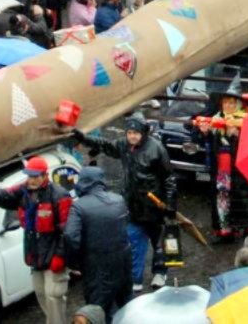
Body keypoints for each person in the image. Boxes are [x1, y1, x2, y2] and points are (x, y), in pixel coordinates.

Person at [0, 157, 71, 324]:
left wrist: (60, 257)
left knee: (53, 296)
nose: (31, 180)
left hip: (53, 256)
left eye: (35, 176)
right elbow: (1, 195)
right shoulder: (23, 191)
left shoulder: (59, 196)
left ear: (44, 175)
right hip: (36, 258)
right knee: (41, 294)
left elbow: (67, 232)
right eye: (29, 176)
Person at [71, 114, 178, 290]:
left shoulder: (157, 149)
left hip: (155, 207)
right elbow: (105, 145)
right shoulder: (123, 145)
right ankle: (135, 279)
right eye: (129, 133)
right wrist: (84, 138)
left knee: (159, 244)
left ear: (143, 133)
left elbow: (169, 179)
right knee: (134, 243)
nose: (132, 137)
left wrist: (170, 205)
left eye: (136, 133)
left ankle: (160, 272)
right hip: (132, 206)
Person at [192, 89, 248, 239]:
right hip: (222, 171)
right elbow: (203, 142)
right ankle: (226, 229)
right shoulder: (216, 119)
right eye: (225, 103)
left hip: (242, 171)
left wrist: (237, 135)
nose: (228, 106)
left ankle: (247, 227)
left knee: (243, 199)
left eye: (231, 103)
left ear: (239, 105)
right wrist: (205, 133)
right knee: (222, 197)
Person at [63, 166, 132, 318]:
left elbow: (70, 236)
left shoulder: (79, 206)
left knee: (97, 310)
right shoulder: (118, 200)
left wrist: (73, 263)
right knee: (126, 304)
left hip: (96, 266)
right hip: (123, 262)